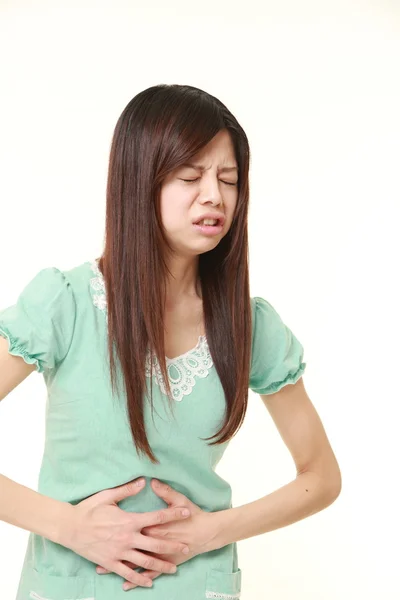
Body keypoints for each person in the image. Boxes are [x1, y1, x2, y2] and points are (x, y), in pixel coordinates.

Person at [0, 84, 341, 600]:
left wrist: (213, 531)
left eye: (228, 179)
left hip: (198, 586)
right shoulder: (63, 302)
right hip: (70, 586)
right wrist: (69, 527)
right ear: (139, 183)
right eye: (190, 177)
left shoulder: (251, 325)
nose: (214, 196)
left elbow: (321, 477)